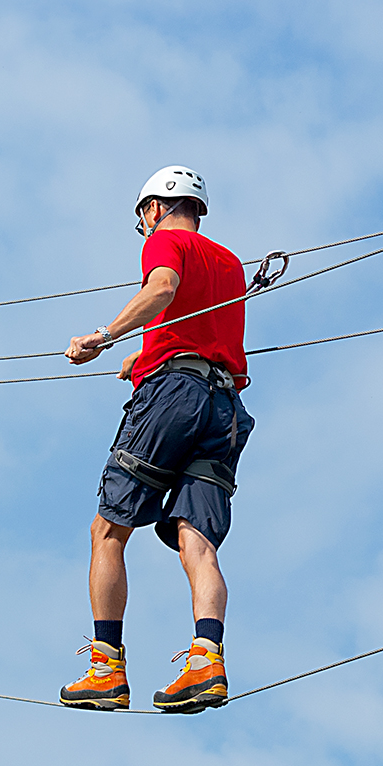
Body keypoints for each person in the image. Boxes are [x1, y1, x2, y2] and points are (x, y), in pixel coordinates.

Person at [59, 166, 255, 713]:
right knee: (198, 540)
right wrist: (142, 357)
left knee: (108, 529)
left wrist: (104, 337)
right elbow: (202, 332)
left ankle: (105, 668)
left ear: (153, 209)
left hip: (174, 398)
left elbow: (164, 289)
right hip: (225, 408)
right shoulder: (230, 262)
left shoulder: (166, 241)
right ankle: (206, 659)